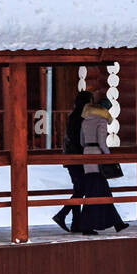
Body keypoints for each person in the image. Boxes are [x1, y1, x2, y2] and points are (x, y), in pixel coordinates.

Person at [73, 96, 129, 235]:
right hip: (97, 156)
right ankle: (87, 226)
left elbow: (82, 142)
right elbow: (102, 143)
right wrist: (109, 157)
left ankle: (117, 223)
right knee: (96, 191)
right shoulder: (102, 121)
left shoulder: (85, 121)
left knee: (100, 190)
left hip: (87, 155)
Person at [53, 91, 93, 231]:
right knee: (81, 189)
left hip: (72, 157)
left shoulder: (74, 116)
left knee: (79, 189)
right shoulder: (79, 118)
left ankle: (76, 223)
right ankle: (62, 215)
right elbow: (77, 139)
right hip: (76, 158)